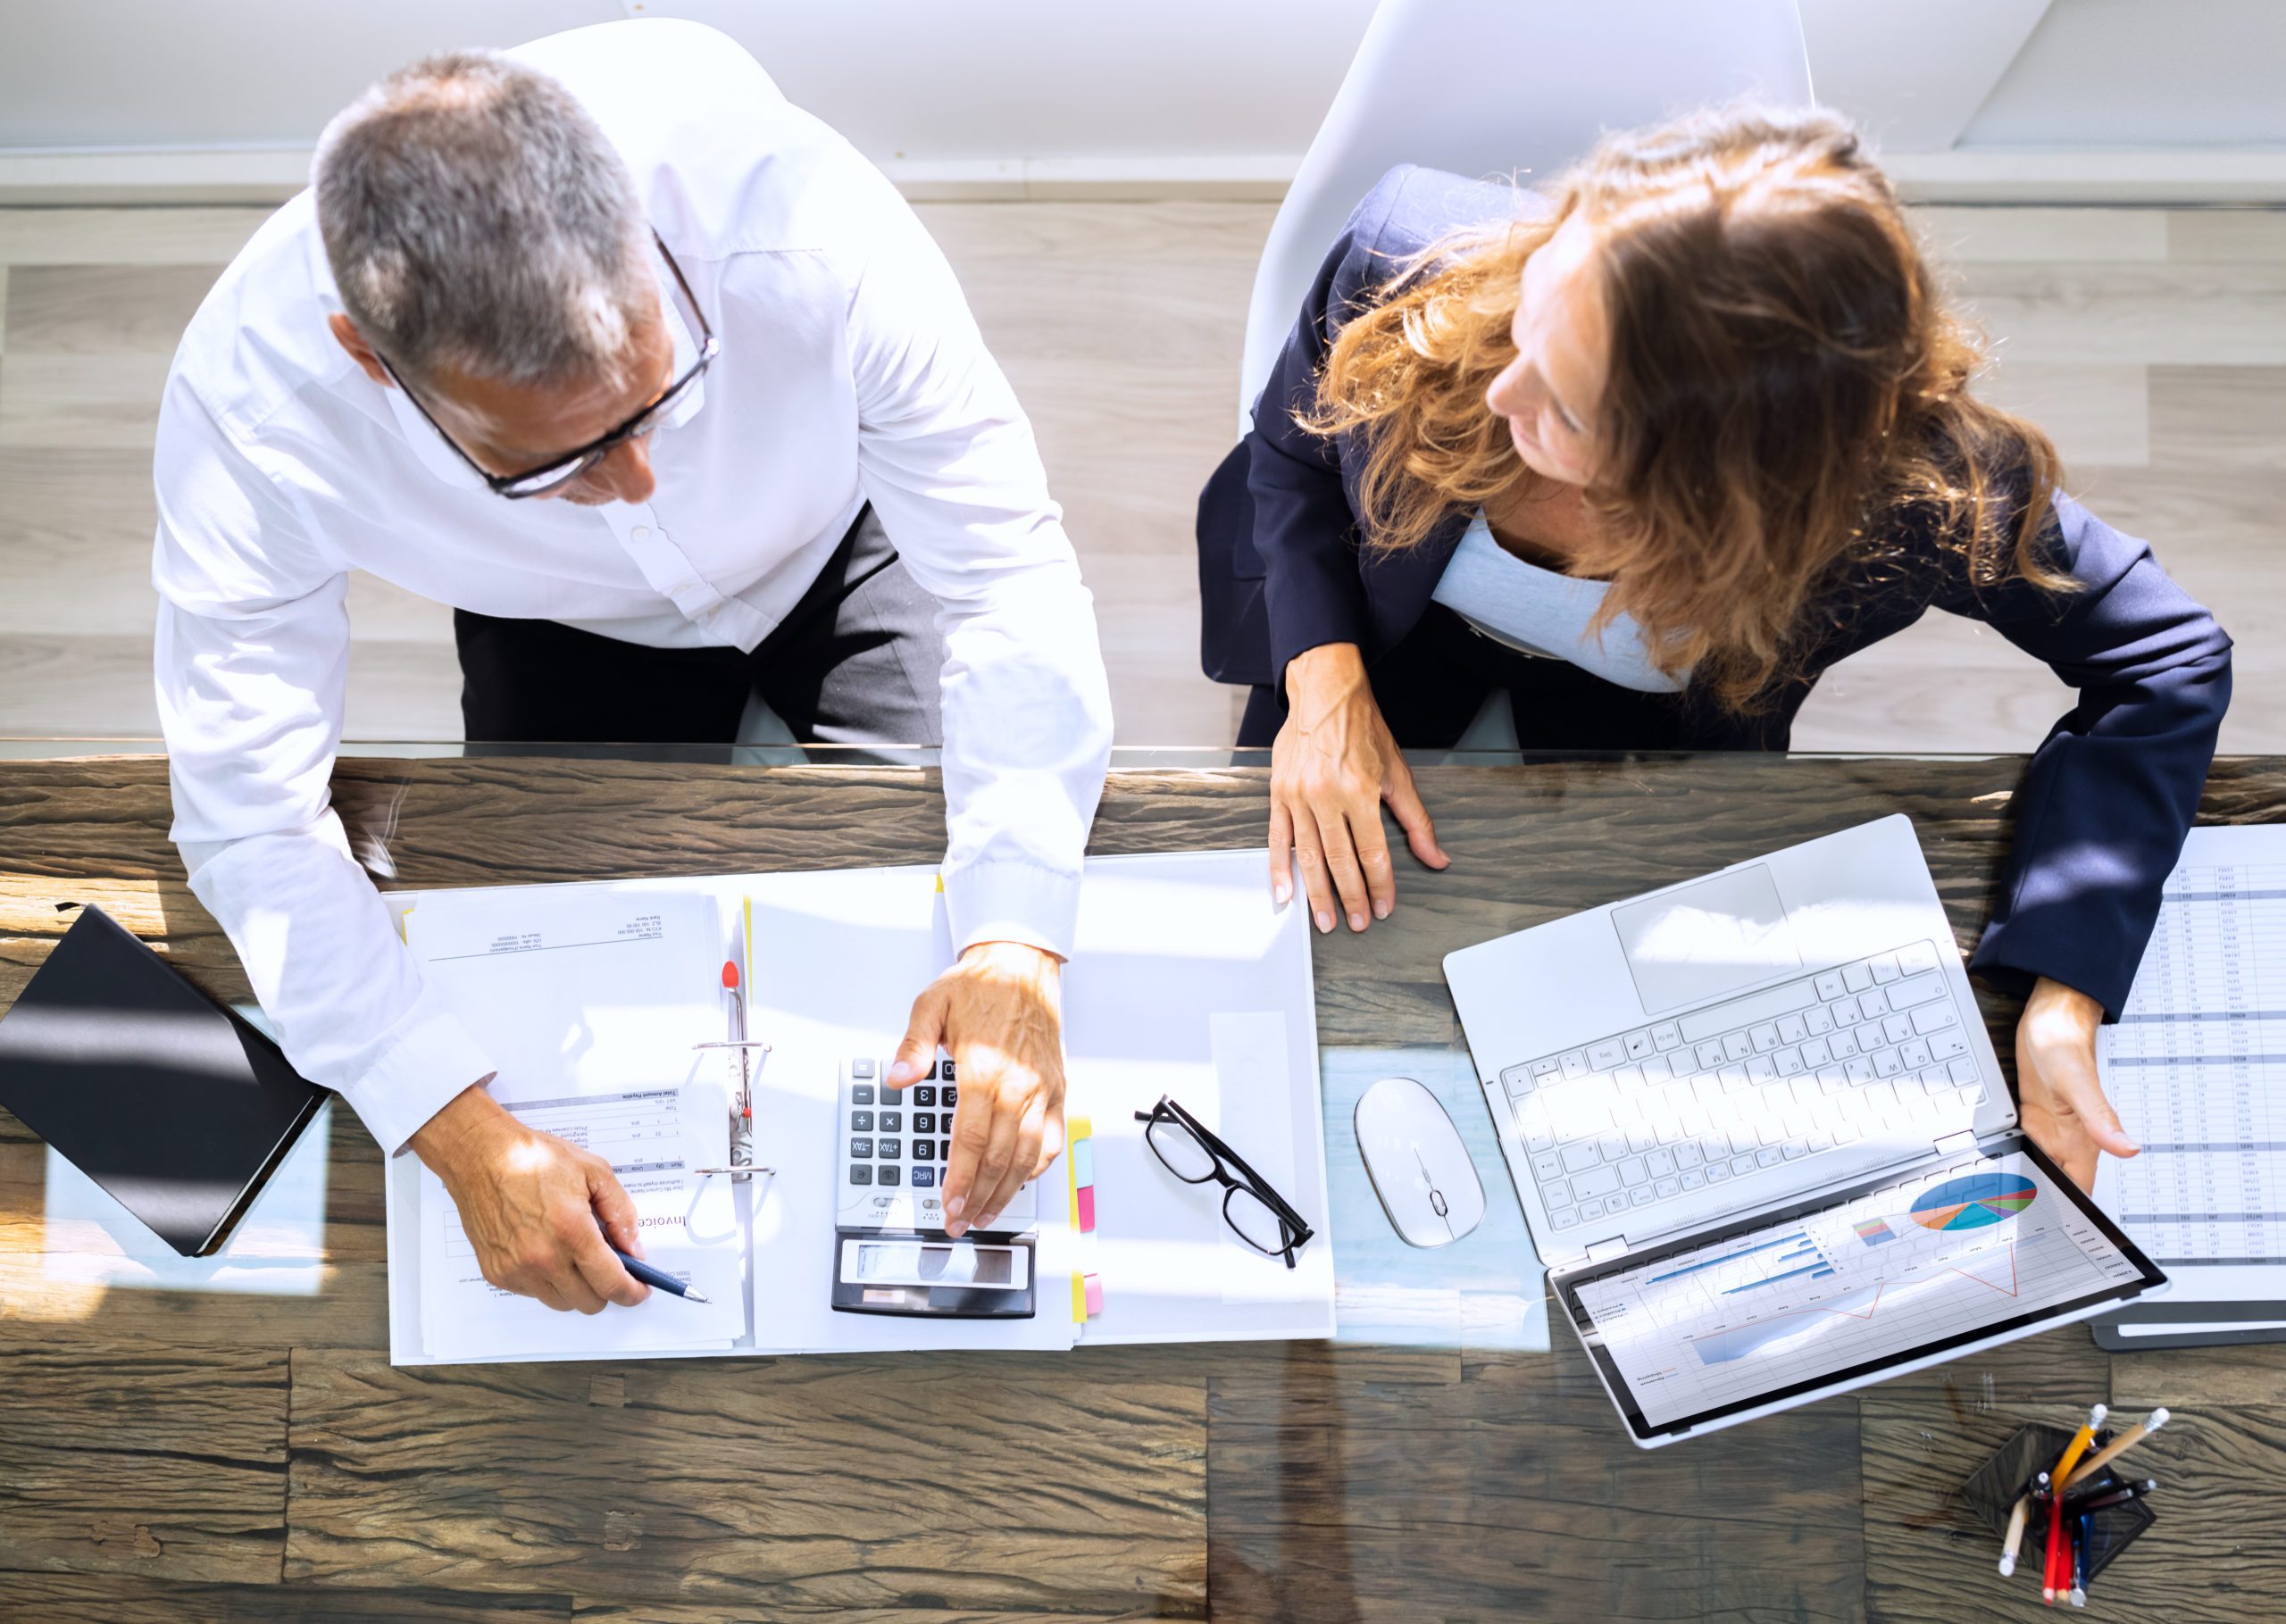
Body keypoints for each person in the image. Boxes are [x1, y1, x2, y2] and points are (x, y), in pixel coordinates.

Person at [154, 21, 1113, 1314]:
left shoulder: (810, 224)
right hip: (553, 625)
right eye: (551, 462)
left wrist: (1014, 941)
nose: (638, 483)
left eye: (664, 395)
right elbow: (251, 818)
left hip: (841, 536)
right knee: (566, 952)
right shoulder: (248, 416)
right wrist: (456, 1127)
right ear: (368, 358)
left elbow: (1003, 578)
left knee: (907, 951)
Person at [1195, 106, 2231, 1191]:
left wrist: (2065, 989)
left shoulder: (1916, 497)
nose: (1503, 391)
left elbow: (2168, 662)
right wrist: (1323, 682)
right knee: (1276, 991)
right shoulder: (1408, 252)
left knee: (1616, 1082)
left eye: (1571, 407)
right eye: (1533, 317)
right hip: (1370, 626)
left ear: (1728, 490)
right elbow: (1291, 450)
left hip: (1653, 740)